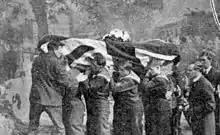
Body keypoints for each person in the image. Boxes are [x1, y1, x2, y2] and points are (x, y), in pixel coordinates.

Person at [28, 41, 87, 135]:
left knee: (33, 126)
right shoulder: (56, 62)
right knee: (60, 128)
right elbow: (65, 81)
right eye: (61, 49)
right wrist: (77, 80)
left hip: (36, 98)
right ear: (56, 48)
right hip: (52, 99)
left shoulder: (37, 60)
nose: (62, 51)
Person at [82, 53, 111, 135]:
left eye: (94, 65)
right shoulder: (98, 72)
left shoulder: (102, 76)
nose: (92, 67)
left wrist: (86, 75)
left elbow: (88, 87)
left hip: (100, 104)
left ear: (101, 66)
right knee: (92, 128)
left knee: (101, 129)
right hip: (94, 103)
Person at [112, 60, 143, 135]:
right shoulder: (124, 78)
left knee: (134, 129)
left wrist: (110, 76)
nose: (119, 72)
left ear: (128, 70)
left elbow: (115, 88)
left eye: (122, 70)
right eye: (119, 69)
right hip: (125, 108)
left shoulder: (130, 80)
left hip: (132, 109)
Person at [141, 59, 172, 135]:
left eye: (151, 69)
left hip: (158, 109)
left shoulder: (159, 79)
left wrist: (146, 76)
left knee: (157, 131)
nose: (150, 71)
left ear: (158, 68)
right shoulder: (163, 78)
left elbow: (145, 87)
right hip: (161, 108)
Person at [186, 63, 216, 135]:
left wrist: (193, 109)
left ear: (197, 71)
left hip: (205, 121)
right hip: (198, 120)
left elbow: (211, 105)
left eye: (190, 70)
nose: (188, 72)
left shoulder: (205, 84)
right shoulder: (195, 82)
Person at [199, 50, 220, 134]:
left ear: (210, 60)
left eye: (203, 60)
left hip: (214, 106)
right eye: (200, 60)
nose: (201, 62)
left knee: (215, 128)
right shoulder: (199, 73)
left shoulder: (217, 74)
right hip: (201, 107)